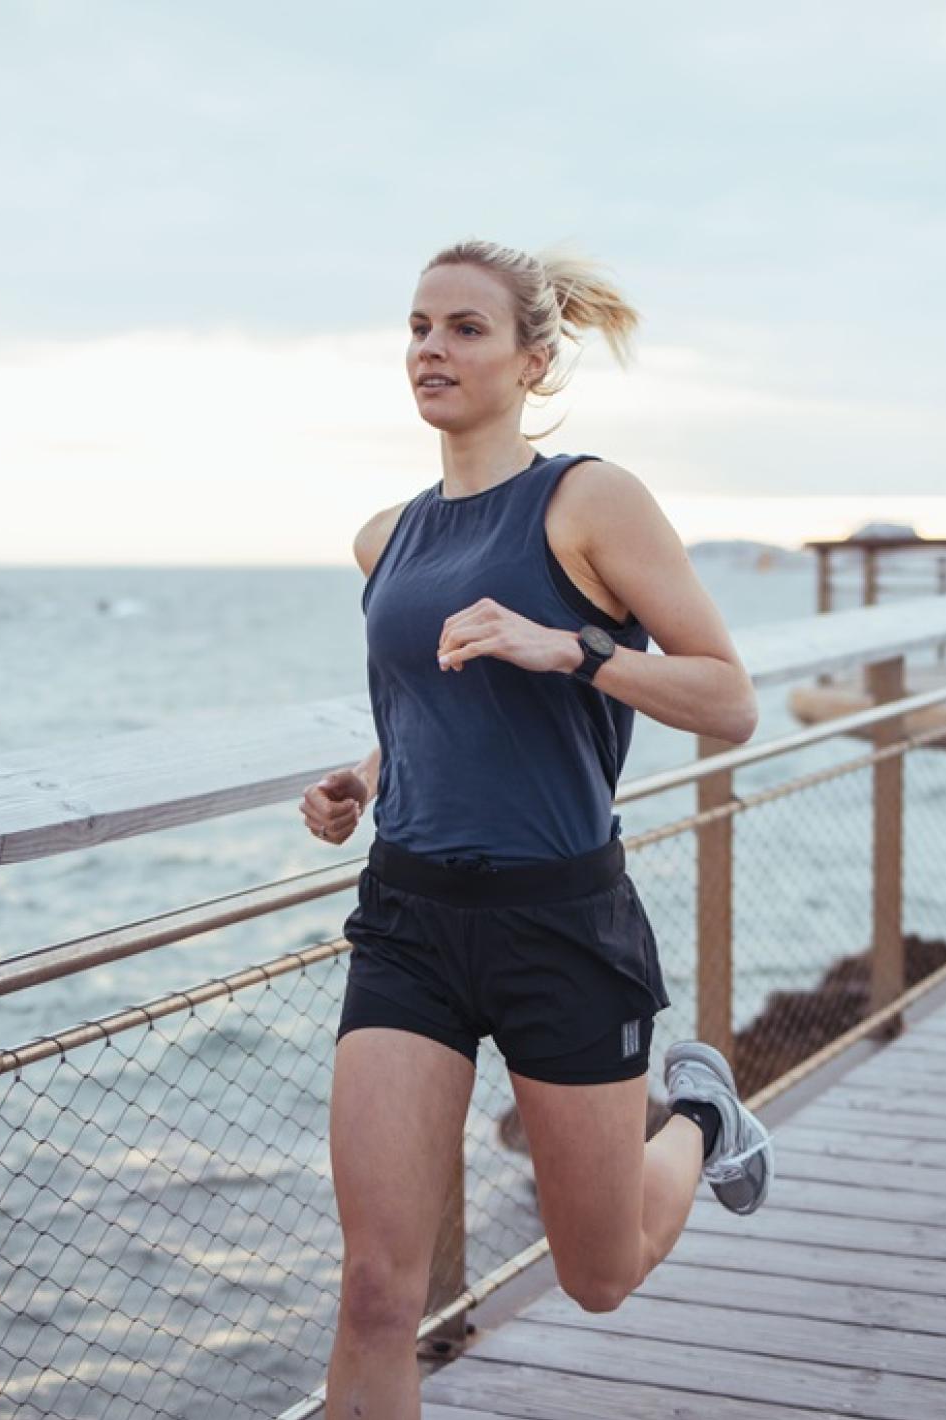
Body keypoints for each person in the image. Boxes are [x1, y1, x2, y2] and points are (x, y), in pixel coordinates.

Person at [299, 240, 771, 1419]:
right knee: (372, 1291)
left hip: (556, 919)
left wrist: (571, 646)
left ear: (532, 357)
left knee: (598, 1274)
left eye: (463, 328)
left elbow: (728, 700)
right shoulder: (385, 538)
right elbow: (428, 713)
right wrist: (360, 780)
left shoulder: (587, 501)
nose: (429, 350)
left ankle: (703, 1116)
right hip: (406, 918)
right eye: (416, 326)